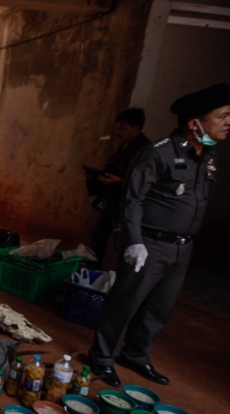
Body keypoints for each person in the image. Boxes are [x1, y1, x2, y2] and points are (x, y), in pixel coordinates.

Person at [89, 83, 230, 387]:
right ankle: (102, 358)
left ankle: (136, 355)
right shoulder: (158, 153)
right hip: (149, 244)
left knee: (160, 306)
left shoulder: (207, 156)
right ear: (195, 123)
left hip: (181, 248)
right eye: (223, 116)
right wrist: (135, 241)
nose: (228, 123)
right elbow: (133, 199)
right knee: (126, 302)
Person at [88, 108, 150, 267]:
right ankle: (94, 272)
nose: (118, 132)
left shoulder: (144, 151)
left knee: (121, 242)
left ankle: (122, 275)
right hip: (114, 201)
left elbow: (143, 181)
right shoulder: (123, 148)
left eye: (123, 128)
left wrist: (120, 181)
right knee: (98, 235)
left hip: (127, 204)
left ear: (136, 128)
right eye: (117, 128)